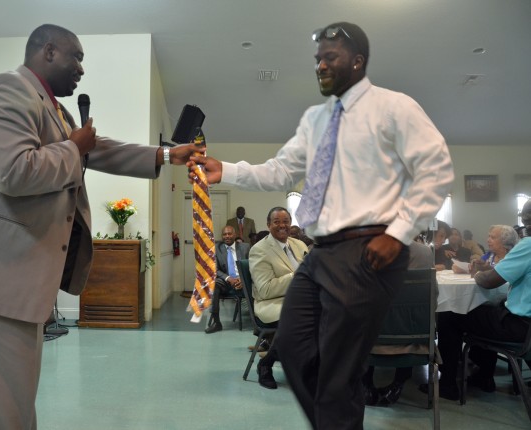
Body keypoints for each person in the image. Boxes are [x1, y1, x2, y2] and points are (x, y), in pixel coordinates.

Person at [0, 24, 202, 430]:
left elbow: (96, 148)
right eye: (77, 58)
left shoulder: (52, 108)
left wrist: (165, 155)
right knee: (1, 410)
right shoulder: (6, 90)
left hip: (8, 280)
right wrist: (75, 147)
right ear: (49, 51)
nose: (81, 69)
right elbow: (16, 172)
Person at [189, 22, 453, 428]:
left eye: (331, 58)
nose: (321, 66)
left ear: (359, 61)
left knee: (338, 367)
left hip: (368, 248)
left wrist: (397, 233)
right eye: (317, 60)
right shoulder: (315, 120)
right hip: (321, 251)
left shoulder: (393, 107)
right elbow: (279, 171)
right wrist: (225, 169)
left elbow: (435, 170)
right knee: (293, 347)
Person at [431, 203, 530, 400]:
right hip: (523, 325)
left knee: (450, 313)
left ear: (526, 219)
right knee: (483, 309)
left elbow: (489, 281)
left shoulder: (527, 245)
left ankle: (448, 384)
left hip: (519, 326)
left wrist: (477, 273)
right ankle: (484, 376)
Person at [363, 240, 435, 407]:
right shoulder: (425, 252)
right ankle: (398, 384)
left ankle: (365, 385)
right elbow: (433, 301)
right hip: (415, 342)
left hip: (371, 343)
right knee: (412, 320)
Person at [250, 207, 308, 389]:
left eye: (286, 221)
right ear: (268, 225)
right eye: (277, 222)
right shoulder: (259, 250)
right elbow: (266, 289)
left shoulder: (300, 245)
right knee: (302, 317)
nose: (282, 225)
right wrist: (297, 277)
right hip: (270, 303)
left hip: (303, 300)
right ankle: (266, 364)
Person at [205, 225, 250, 334]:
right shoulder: (216, 248)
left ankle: (258, 320)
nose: (227, 236)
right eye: (224, 234)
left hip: (243, 281)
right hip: (225, 282)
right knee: (214, 285)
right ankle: (216, 322)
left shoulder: (245, 247)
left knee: (257, 283)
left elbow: (252, 266)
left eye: (230, 234)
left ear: (235, 235)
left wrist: (242, 279)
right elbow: (214, 270)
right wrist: (229, 278)